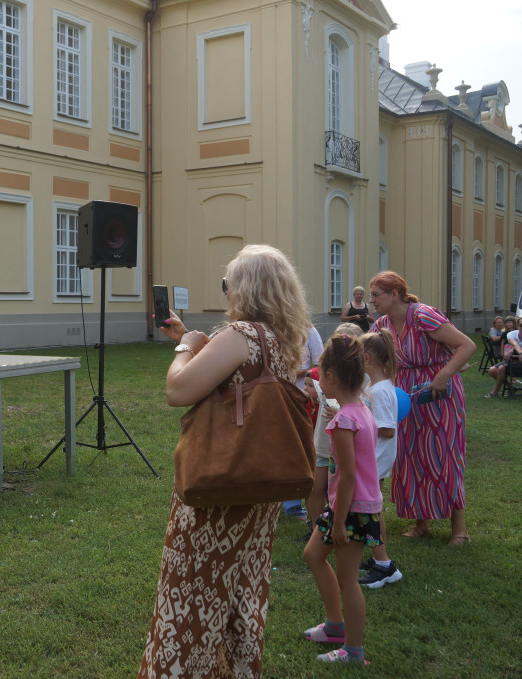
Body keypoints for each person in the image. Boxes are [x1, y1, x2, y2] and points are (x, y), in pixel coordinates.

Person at [138, 244, 311, 679]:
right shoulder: (284, 342)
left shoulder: (241, 336)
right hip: (260, 484)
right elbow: (236, 380)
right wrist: (189, 339)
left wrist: (183, 350)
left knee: (191, 596)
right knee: (240, 597)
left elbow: (178, 391)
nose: (226, 291)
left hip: (218, 489)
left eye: (227, 283)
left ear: (245, 288)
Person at [368, 271, 475, 545]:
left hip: (440, 393)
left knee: (445, 454)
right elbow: (367, 357)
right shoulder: (380, 325)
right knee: (410, 455)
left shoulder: (423, 315)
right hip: (404, 395)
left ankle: (459, 530)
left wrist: (444, 375)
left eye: (375, 295)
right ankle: (421, 523)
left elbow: (467, 345)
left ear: (395, 294)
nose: (371, 301)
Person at [302, 333, 381, 665]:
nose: (320, 385)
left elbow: (347, 476)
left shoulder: (345, 421)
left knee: (349, 579)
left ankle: (353, 650)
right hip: (346, 506)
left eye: (322, 378)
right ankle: (335, 625)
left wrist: (338, 522)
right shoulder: (359, 409)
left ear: (331, 378)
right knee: (313, 555)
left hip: (351, 510)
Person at [304, 323, 364, 542]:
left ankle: (335, 527)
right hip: (322, 441)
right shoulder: (327, 375)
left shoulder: (358, 382)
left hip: (341, 443)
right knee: (314, 487)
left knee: (337, 490)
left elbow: (357, 410)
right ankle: (315, 529)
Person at [358, 329, 404, 589]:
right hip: (371, 462)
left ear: (366, 360)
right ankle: (380, 560)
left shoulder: (381, 391)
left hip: (374, 462)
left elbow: (387, 428)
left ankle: (385, 566)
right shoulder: (374, 388)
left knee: (370, 513)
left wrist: (355, 426)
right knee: (373, 512)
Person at [283, 326, 324, 521]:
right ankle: (282, 500)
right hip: (279, 395)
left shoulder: (308, 331)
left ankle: (296, 504)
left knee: (302, 449)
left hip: (306, 399)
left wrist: (299, 373)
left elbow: (320, 365)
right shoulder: (267, 328)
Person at [485, 319, 522, 397]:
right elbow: (514, 344)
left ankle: (495, 392)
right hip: (513, 360)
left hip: (517, 362)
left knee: (501, 368)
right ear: (518, 326)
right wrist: (519, 353)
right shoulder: (511, 334)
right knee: (492, 370)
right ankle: (511, 387)